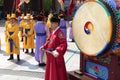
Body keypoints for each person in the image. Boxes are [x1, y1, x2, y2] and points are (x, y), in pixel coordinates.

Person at [40, 14, 68, 80]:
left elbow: (64, 44)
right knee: (50, 71)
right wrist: (44, 46)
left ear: (56, 24)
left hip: (55, 56)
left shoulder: (60, 33)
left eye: (52, 23)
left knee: (56, 73)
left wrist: (57, 51)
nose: (50, 25)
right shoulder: (53, 32)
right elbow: (49, 41)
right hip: (50, 55)